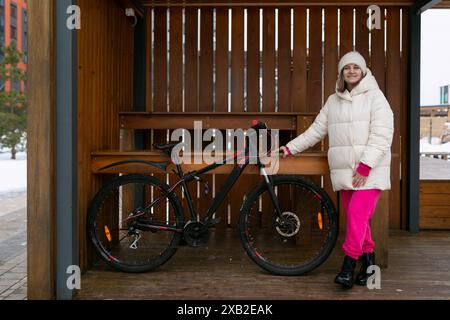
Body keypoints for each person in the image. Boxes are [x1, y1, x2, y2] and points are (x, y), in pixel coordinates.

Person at [279, 51, 394, 289]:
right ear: (341, 72)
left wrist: (365, 166)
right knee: (358, 222)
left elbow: (382, 135)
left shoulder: (376, 97)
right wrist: (290, 148)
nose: (351, 71)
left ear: (363, 71)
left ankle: (348, 265)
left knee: (355, 216)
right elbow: (316, 131)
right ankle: (369, 265)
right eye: (346, 67)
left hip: (369, 172)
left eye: (356, 67)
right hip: (345, 172)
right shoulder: (333, 101)